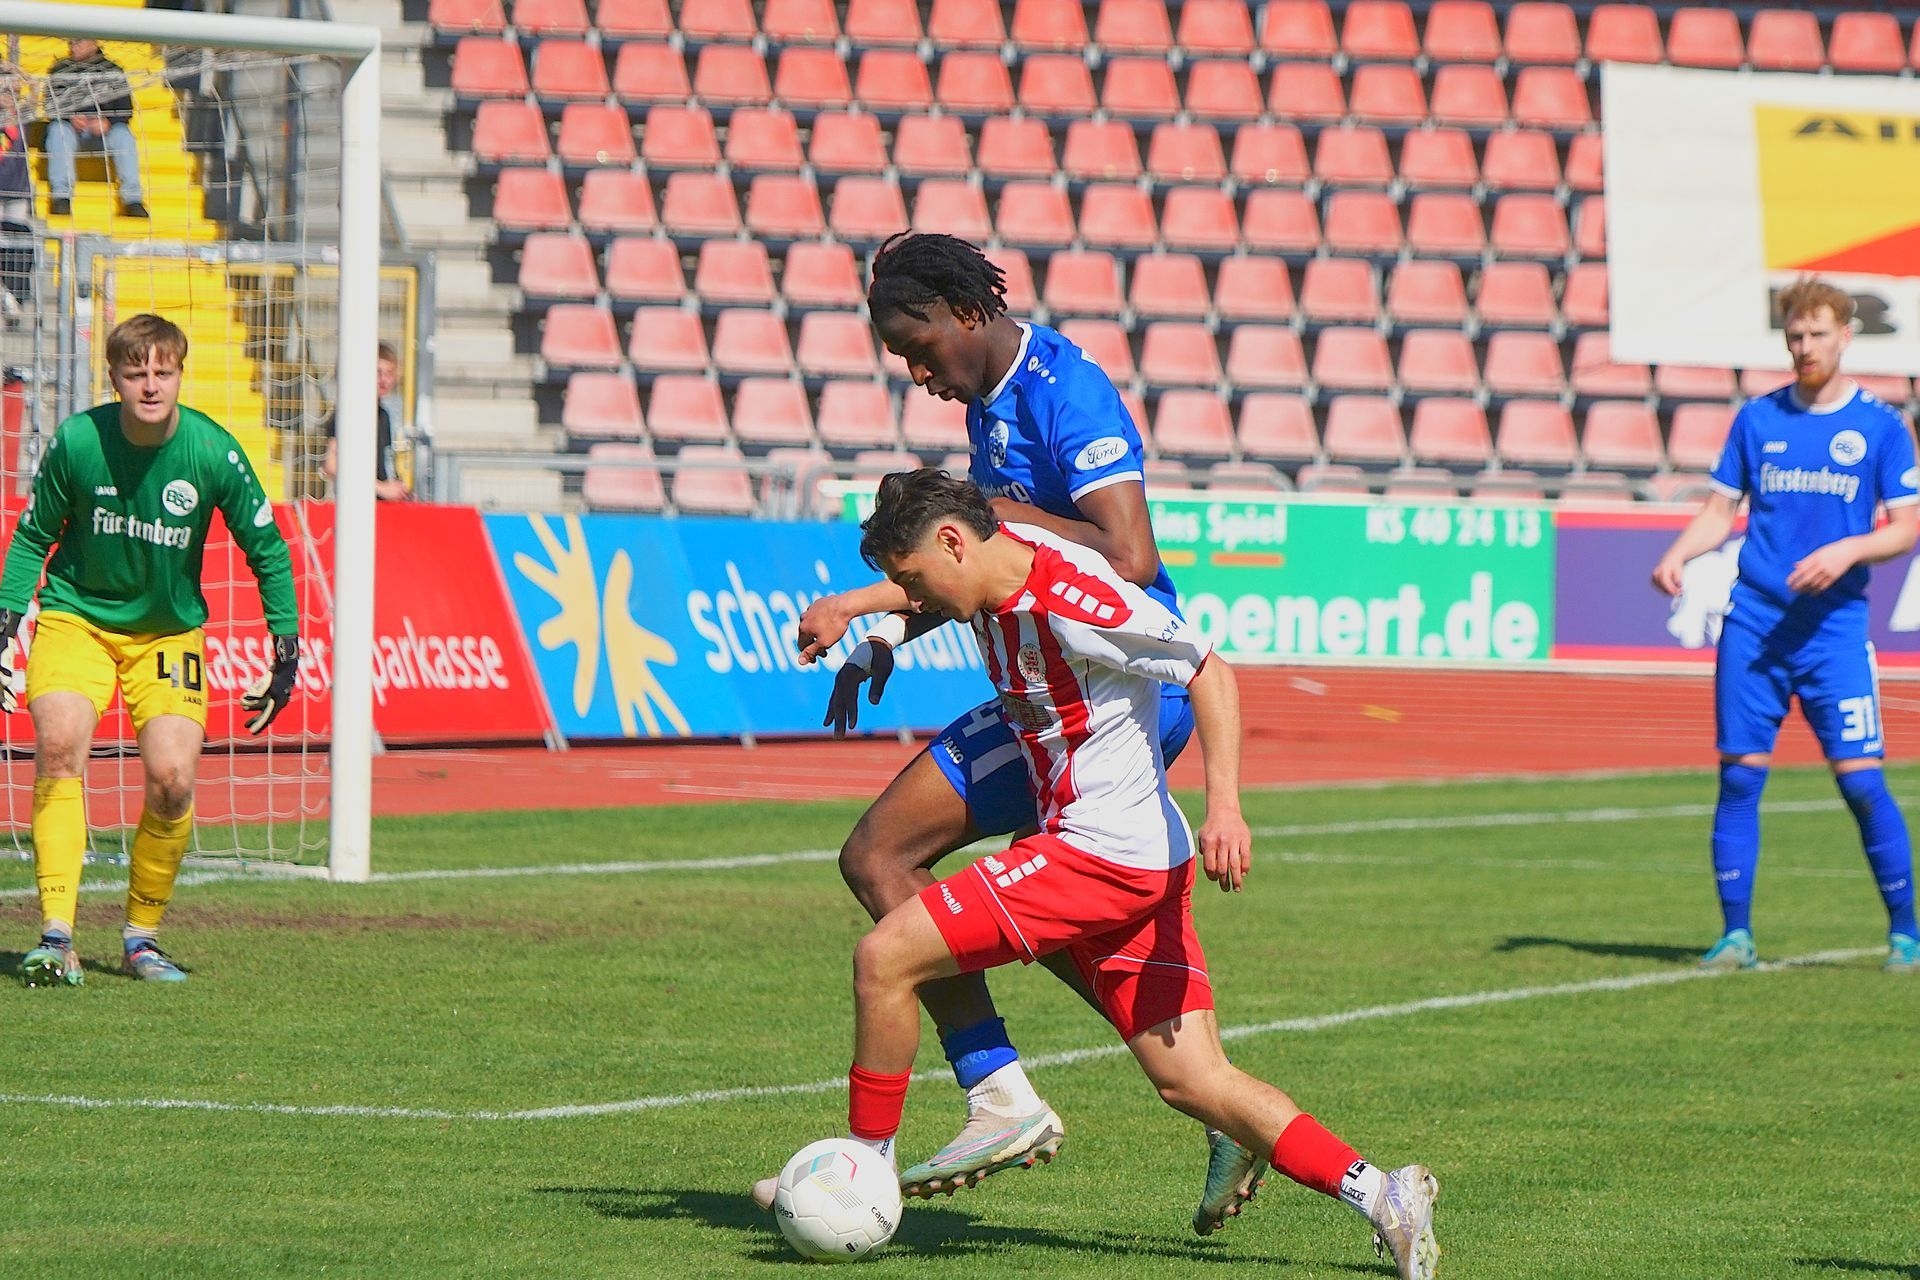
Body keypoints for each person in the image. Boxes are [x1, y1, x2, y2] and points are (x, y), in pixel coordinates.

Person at [783, 469, 1442, 1279]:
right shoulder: (992, 562)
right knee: (1195, 1080)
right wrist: (860, 609)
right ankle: (1384, 1193)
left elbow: (1209, 671)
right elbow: (924, 586)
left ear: (953, 543)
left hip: (1096, 855)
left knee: (884, 957)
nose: (914, 599)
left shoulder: (1074, 602)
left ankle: (862, 1170)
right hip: (1142, 861)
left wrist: (1226, 808)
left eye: (913, 579)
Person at [788, 233, 1264, 1227]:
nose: (917, 374)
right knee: (924, 874)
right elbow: (979, 567)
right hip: (1041, 691)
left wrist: (1000, 516)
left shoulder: (1064, 391)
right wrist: (886, 628)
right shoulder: (987, 404)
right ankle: (1192, 1099)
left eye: (918, 348)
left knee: (890, 858)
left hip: (1122, 689)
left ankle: (999, 1094)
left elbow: (1129, 556)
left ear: (966, 313)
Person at [0, 313, 302, 987]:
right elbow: (32, 537)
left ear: (180, 375)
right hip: (77, 617)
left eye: (163, 372)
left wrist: (286, 649)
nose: (151, 385)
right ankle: (56, 937)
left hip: (167, 632)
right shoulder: (80, 441)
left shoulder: (212, 452)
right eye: (136, 372)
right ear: (113, 377)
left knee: (173, 779)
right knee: (58, 746)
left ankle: (141, 939)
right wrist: (6, 621)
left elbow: (267, 549)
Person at [1652, 278, 1919, 975]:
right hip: (1755, 628)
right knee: (1740, 779)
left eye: (1817, 334)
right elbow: (1720, 511)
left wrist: (1848, 550)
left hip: (1834, 634)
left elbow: (1905, 528)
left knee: (1861, 783)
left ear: (1845, 336)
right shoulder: (1757, 419)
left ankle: (1906, 934)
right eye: (1795, 336)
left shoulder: (1880, 426)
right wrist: (1679, 553)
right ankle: (1735, 936)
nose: (1805, 347)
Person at [43, 38, 147, 219]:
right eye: (71, 43)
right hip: (72, 130)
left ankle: (133, 200)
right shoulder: (60, 69)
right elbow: (49, 106)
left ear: (94, 44)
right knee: (58, 130)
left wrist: (108, 122)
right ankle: (61, 197)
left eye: (78, 42)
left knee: (124, 135)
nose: (73, 47)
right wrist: (70, 117)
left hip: (104, 132)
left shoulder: (113, 70)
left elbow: (126, 109)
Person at [322, 340, 411, 501]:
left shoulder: (384, 414)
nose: (384, 380)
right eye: (378, 372)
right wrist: (380, 488)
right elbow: (331, 465)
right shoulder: (348, 414)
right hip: (356, 504)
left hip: (382, 505)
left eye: (389, 373)